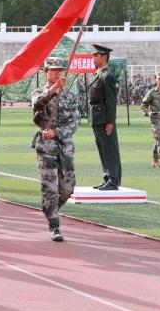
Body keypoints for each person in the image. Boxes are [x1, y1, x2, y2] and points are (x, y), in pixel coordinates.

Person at [30, 58, 80, 242]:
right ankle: (54, 225)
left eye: (61, 70)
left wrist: (57, 132)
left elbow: (75, 121)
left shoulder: (70, 96)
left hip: (65, 147)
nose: (58, 73)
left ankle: (50, 209)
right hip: (46, 148)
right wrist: (52, 90)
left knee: (67, 189)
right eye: (54, 70)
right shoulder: (38, 92)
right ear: (46, 72)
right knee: (50, 188)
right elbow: (37, 105)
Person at [87, 44, 121, 190]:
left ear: (104, 57)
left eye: (96, 55)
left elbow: (111, 101)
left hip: (104, 117)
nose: (93, 58)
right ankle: (107, 177)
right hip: (96, 116)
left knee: (109, 149)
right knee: (102, 148)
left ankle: (113, 180)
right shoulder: (98, 74)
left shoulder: (107, 75)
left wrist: (110, 121)